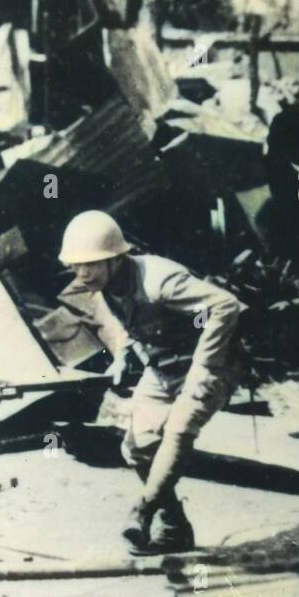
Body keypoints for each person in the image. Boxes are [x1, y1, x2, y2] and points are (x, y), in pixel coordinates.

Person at [56, 210, 242, 554]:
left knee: (178, 430)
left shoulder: (159, 281)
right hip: (161, 371)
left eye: (92, 264)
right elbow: (128, 321)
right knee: (137, 448)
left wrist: (204, 366)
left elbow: (225, 306)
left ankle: (141, 512)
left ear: (116, 258)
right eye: (76, 266)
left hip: (208, 367)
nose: (82, 274)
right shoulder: (101, 286)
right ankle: (174, 530)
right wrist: (125, 354)